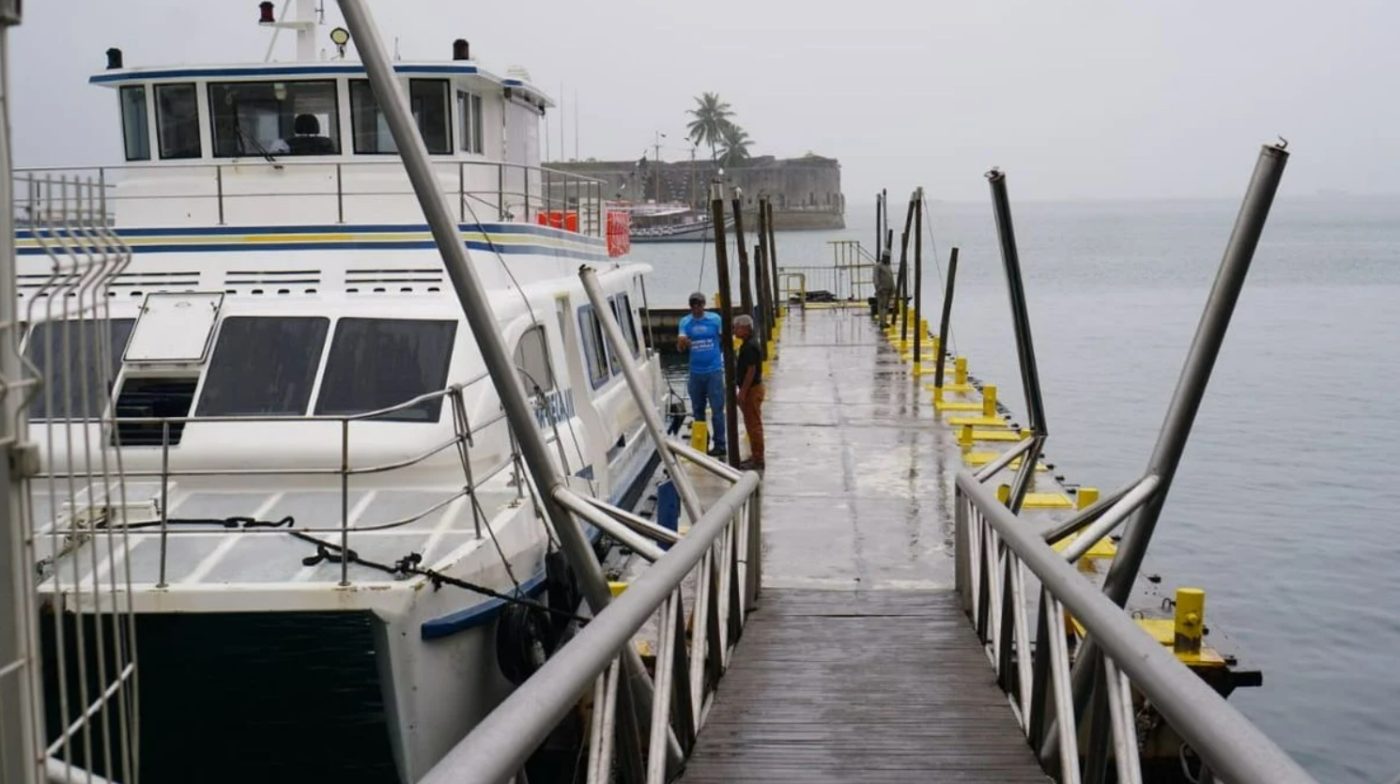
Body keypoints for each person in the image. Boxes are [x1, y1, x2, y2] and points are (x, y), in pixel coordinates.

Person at [677, 291, 727, 457]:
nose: (696, 307)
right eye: (693, 304)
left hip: (714, 371)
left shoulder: (715, 319)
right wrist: (683, 343)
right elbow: (680, 346)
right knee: (698, 410)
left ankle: (720, 444)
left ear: (704, 305)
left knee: (717, 410)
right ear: (690, 306)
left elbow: (723, 339)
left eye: (699, 304)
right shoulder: (685, 322)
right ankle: (701, 442)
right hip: (695, 372)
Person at [733, 314, 765, 470]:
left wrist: (742, 392)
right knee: (750, 423)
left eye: (737, 327)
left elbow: (751, 370)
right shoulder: (747, 344)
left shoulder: (750, 346)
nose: (735, 330)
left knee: (754, 425)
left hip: (752, 389)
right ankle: (755, 455)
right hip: (750, 389)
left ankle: (758, 459)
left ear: (745, 328)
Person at [873, 249, 895, 326]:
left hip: (889, 290)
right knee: (881, 306)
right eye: (887, 257)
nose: (888, 259)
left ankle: (884, 321)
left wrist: (893, 288)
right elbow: (875, 278)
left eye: (889, 257)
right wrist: (878, 288)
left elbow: (891, 278)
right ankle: (882, 322)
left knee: (886, 306)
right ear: (883, 257)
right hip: (882, 290)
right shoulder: (878, 266)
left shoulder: (888, 266)